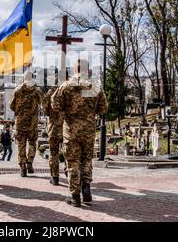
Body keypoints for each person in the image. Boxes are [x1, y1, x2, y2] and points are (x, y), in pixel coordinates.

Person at [52, 59, 108, 207]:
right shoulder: (95, 86)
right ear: (87, 70)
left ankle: (75, 196)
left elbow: (55, 105)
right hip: (88, 130)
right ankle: (86, 187)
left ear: (74, 70)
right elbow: (103, 108)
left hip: (71, 131)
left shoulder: (66, 86)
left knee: (72, 162)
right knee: (86, 160)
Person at [9, 70, 43, 177]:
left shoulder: (17, 90)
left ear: (24, 78)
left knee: (21, 145)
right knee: (32, 143)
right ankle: (30, 162)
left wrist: (20, 111)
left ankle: (22, 167)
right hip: (32, 122)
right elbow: (42, 102)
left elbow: (11, 105)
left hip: (20, 122)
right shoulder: (36, 91)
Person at [42, 84, 63, 186]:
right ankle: (71, 175)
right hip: (69, 128)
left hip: (54, 128)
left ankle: (55, 177)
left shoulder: (51, 92)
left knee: (54, 153)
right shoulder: (72, 89)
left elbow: (45, 110)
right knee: (70, 153)